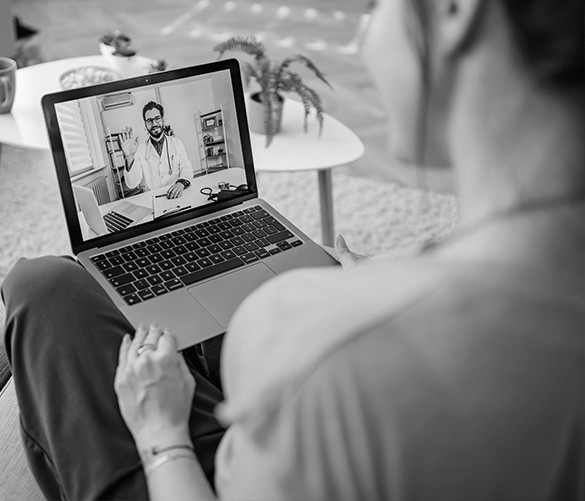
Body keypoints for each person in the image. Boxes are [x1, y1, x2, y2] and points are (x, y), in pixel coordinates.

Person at [2, 0, 584, 499]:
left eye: (376, 7)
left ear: (459, 11)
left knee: (40, 288)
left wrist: (162, 437)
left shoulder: (311, 338)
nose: (364, 34)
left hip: (199, 471)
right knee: (89, 290)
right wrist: (379, 278)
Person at [121, 101, 194, 199]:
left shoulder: (176, 143)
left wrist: (180, 184)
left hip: (177, 195)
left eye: (157, 118)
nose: (154, 123)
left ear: (163, 120)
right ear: (145, 125)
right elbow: (132, 184)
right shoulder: (140, 150)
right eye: (149, 120)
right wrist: (129, 156)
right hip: (153, 199)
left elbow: (187, 169)